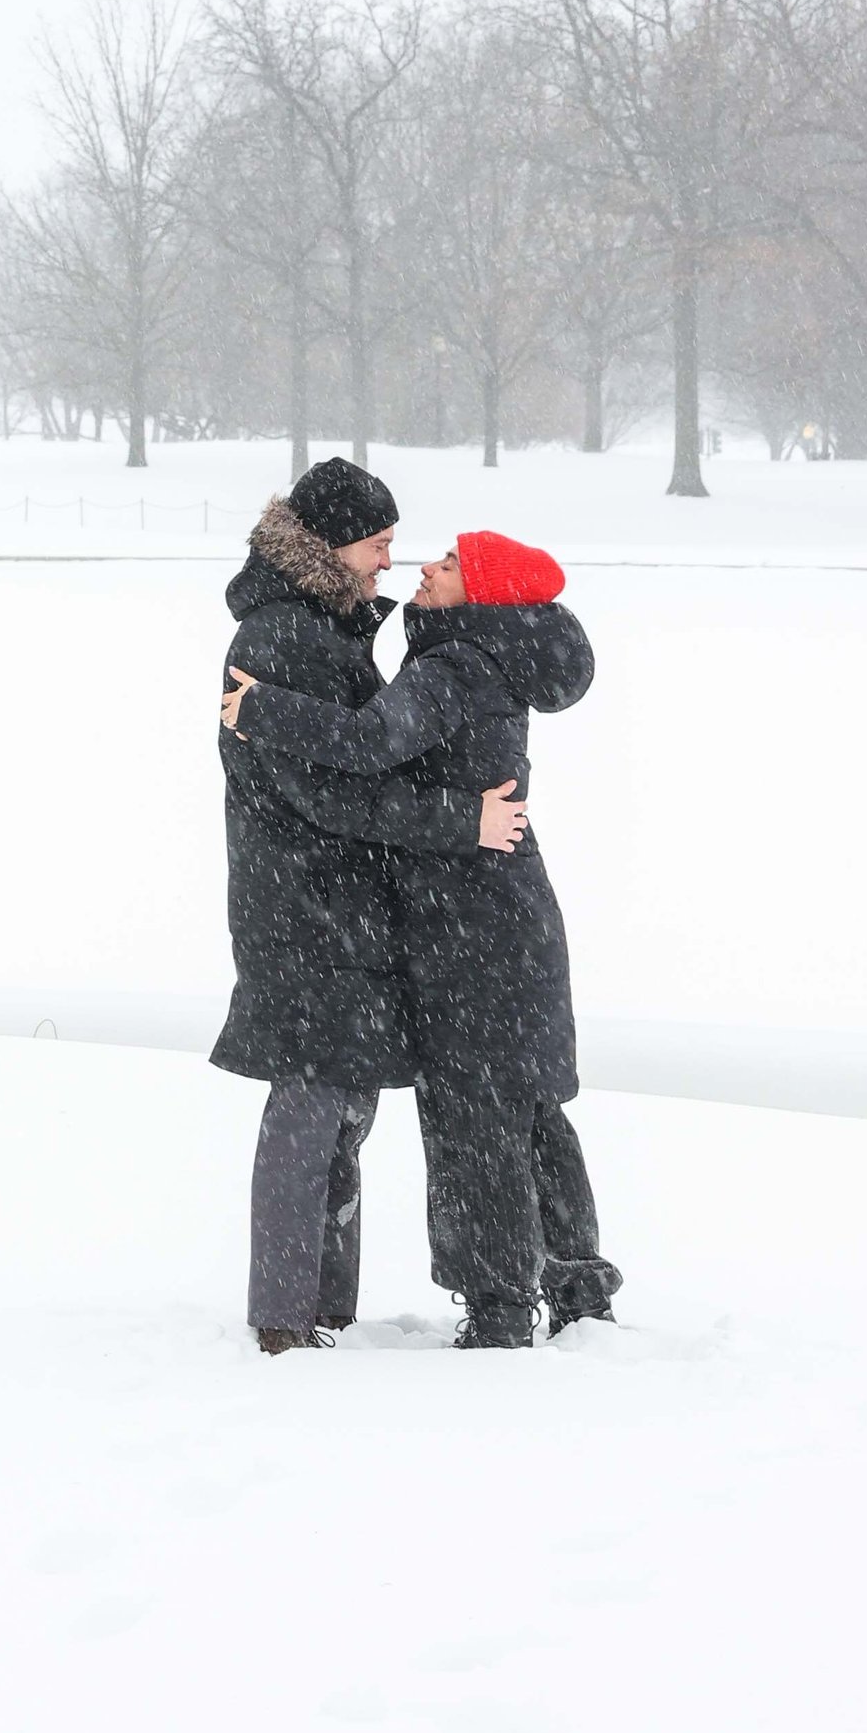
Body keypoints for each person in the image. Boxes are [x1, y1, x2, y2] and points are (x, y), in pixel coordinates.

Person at [223, 529, 618, 1350]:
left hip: (468, 931)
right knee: (533, 1112)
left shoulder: (456, 668)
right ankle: (578, 1289)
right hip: (514, 921)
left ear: (483, 594)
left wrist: (264, 708)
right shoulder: (496, 661)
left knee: (475, 1119)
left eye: (450, 564)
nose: (426, 568)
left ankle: (501, 1305)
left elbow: (370, 744)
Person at [211, 462, 527, 1354]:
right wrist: (462, 821)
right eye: (380, 543)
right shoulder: (282, 638)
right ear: (331, 543)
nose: (390, 562)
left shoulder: (324, 627)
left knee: (342, 1108)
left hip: (336, 902)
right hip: (304, 907)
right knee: (312, 1107)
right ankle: (282, 1317)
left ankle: (320, 1308)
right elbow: (333, 792)